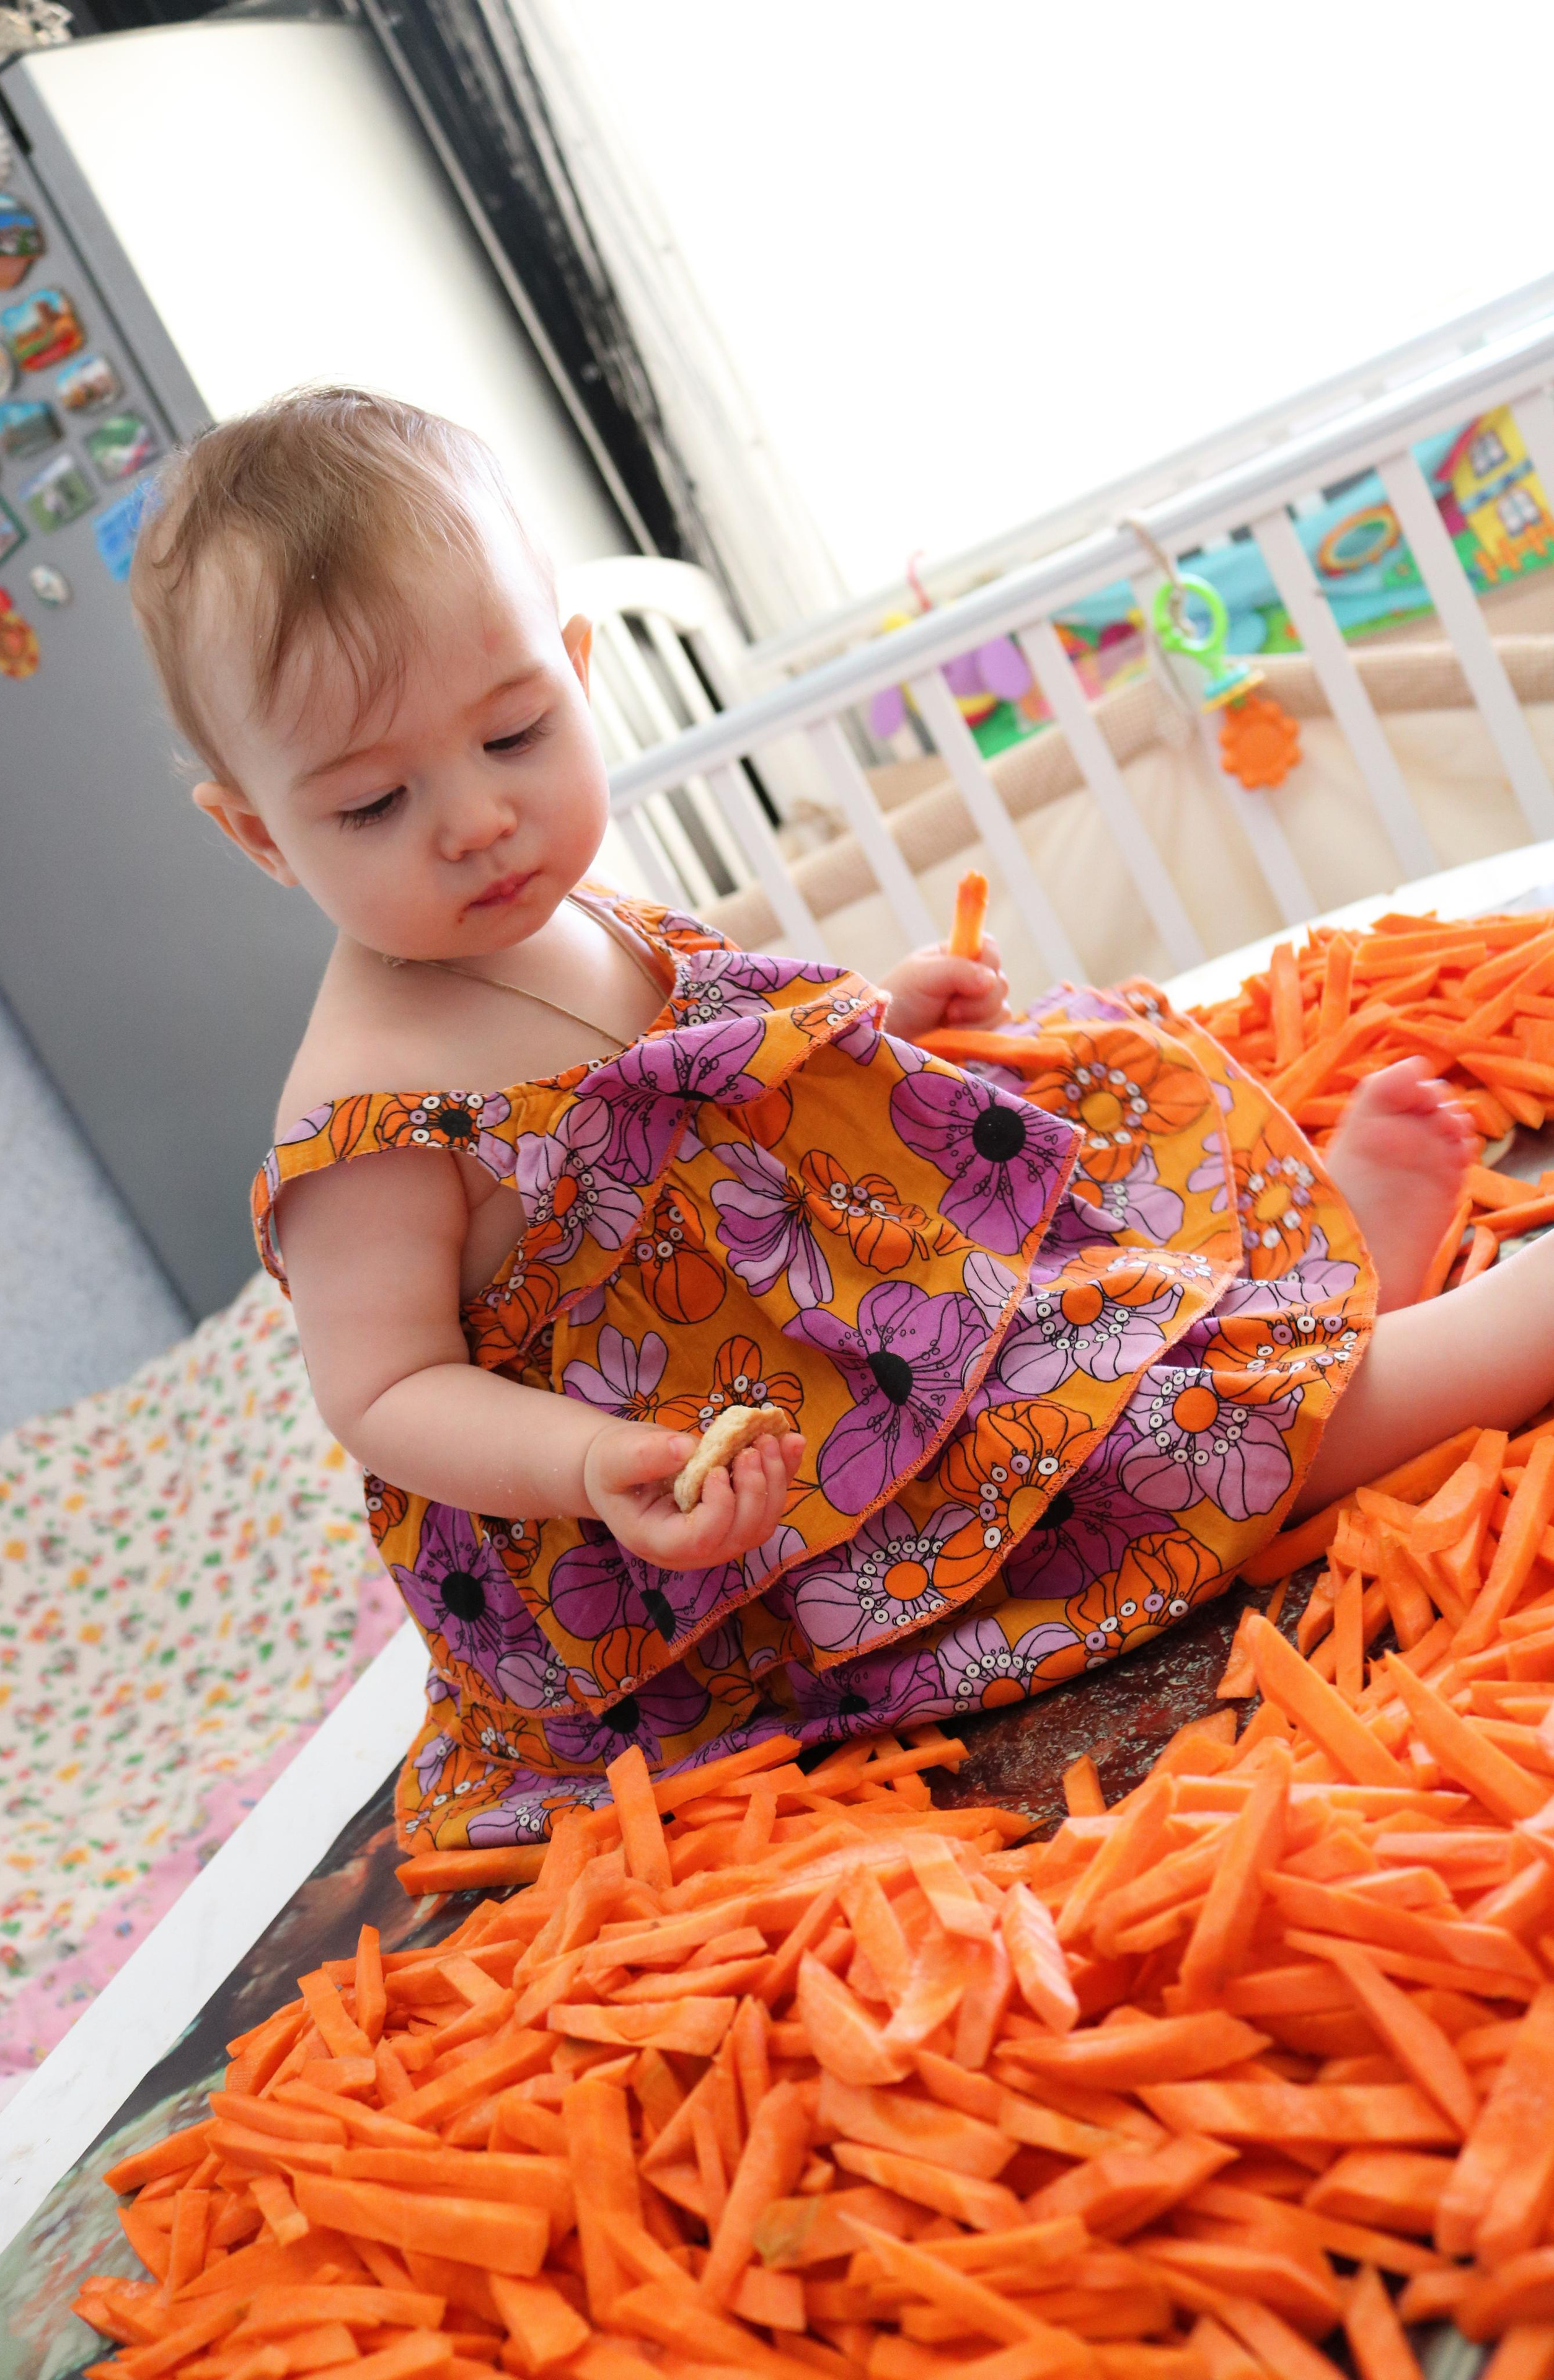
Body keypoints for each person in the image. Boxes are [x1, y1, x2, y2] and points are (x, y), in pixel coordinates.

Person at [129, 387, 1531, 1852]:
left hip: (847, 1310)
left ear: (576, 671)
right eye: (371, 805)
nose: (475, 818)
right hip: (745, 1516)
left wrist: (873, 1018)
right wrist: (590, 1467)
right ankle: (1451, 1354)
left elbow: (717, 1063)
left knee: (1089, 1102)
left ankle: (1312, 1286)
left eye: (515, 732)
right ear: (258, 837)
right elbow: (385, 1393)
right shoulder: (365, 1119)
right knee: (1118, 1452)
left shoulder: (574, 904)